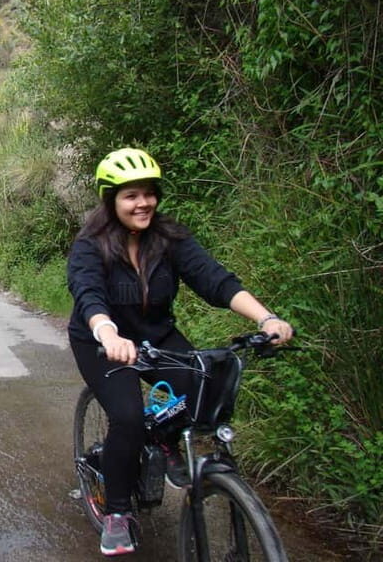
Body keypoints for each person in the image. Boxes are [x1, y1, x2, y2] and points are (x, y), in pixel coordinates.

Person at [66, 148, 293, 557]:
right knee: (129, 417)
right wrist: (108, 333)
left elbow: (216, 281)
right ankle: (117, 512)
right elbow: (89, 295)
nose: (143, 203)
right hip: (102, 343)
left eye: (149, 193)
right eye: (131, 195)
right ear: (111, 201)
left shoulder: (170, 238)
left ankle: (167, 440)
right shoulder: (90, 246)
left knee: (202, 388)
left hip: (157, 336)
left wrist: (266, 319)